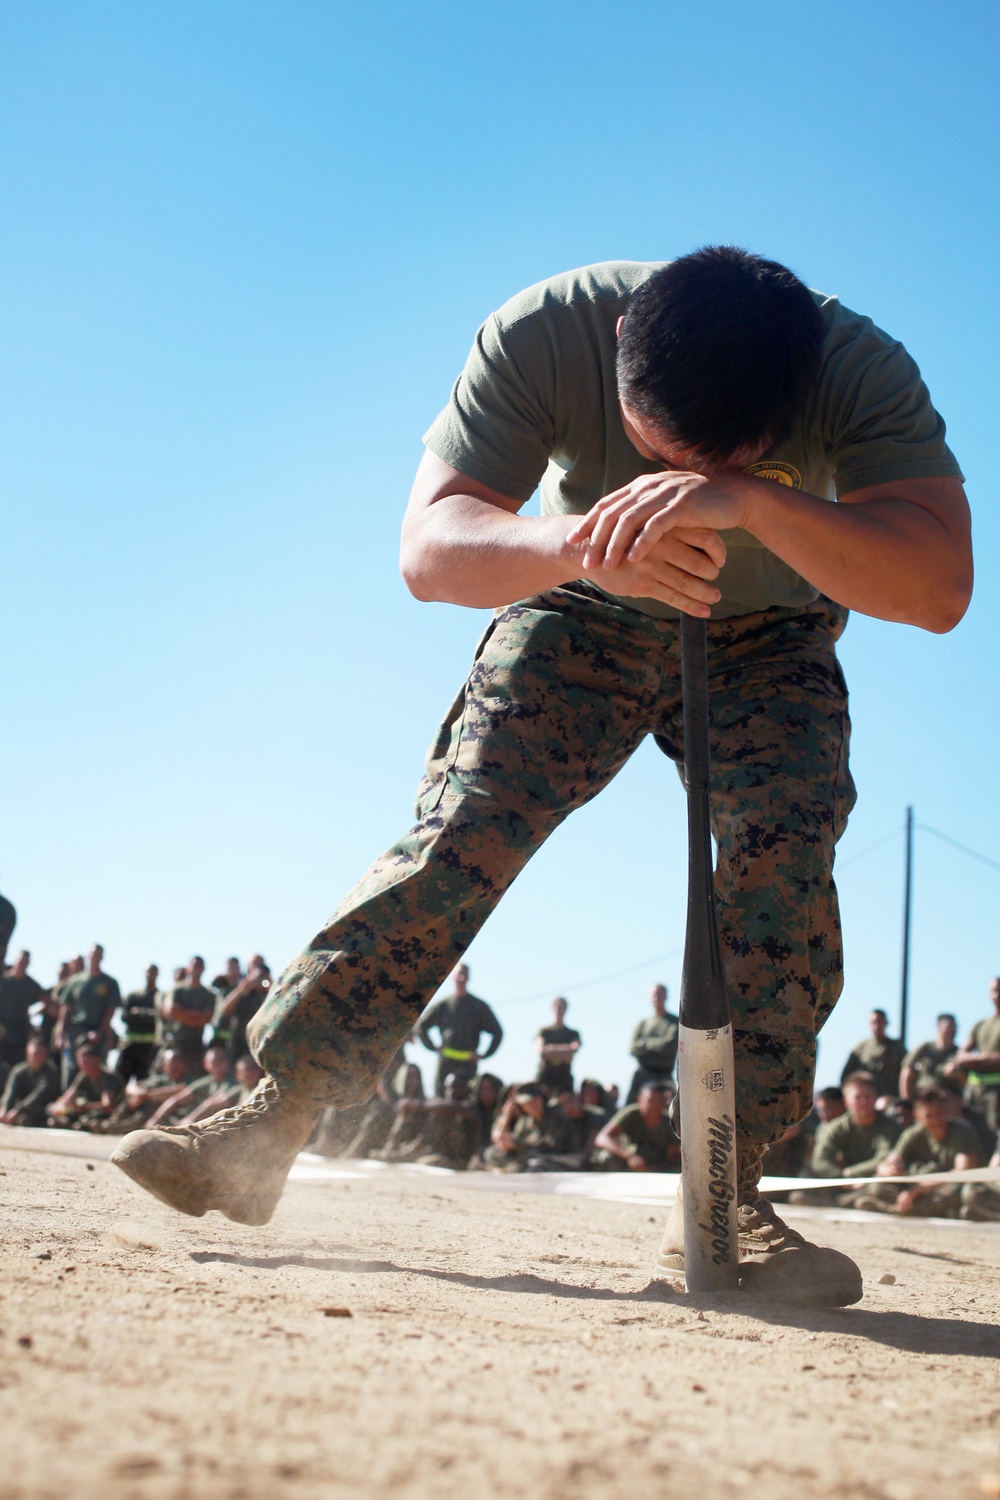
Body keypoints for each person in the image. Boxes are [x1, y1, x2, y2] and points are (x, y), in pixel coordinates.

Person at [113, 248, 972, 1306]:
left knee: (778, 873)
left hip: (773, 630)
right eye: (662, 455)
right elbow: (429, 549)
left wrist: (743, 503)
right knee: (466, 827)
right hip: (580, 596)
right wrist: (579, 543)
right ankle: (270, 1120)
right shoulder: (545, 330)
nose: (677, 484)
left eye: (724, 458)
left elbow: (937, 585)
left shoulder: (855, 364)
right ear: (619, 351)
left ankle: (724, 1196)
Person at [416, 965, 503, 1096]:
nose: (461, 978)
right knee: (440, 1098)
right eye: (458, 974)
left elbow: (497, 1032)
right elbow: (421, 1026)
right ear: (452, 976)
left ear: (468, 977)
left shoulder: (478, 1006)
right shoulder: (443, 1005)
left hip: (467, 1064)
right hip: (445, 1061)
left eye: (464, 974)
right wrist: (432, 1047)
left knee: (468, 1098)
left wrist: (484, 1054)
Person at [55, 945, 120, 1085]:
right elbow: (66, 1009)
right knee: (72, 1067)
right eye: (93, 954)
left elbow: (110, 1011)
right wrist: (60, 1034)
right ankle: (69, 1102)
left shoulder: (109, 982)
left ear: (102, 957)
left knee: (98, 1067)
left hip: (98, 1030)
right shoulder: (74, 981)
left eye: (98, 955)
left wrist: (100, 1032)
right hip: (76, 1030)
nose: (95, 957)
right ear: (88, 956)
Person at [594, 1081, 680, 1172]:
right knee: (604, 1157)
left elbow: (674, 1152)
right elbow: (601, 1138)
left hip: (659, 1166)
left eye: (659, 1101)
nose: (655, 1105)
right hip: (629, 1163)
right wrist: (628, 1156)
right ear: (639, 1100)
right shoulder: (631, 1114)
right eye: (650, 1100)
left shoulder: (669, 1122)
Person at [953, 979, 1000, 1133]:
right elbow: (961, 1056)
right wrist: (986, 1058)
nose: (997, 994)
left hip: (997, 1092)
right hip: (974, 1092)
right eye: (994, 990)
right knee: (973, 1135)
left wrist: (976, 1060)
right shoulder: (980, 1025)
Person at [47, 1037, 123, 1129]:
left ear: (97, 1060)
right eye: (81, 1064)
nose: (84, 1066)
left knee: (94, 1116)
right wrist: (58, 1106)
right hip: (88, 1111)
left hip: (112, 1114)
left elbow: (108, 1106)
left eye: (87, 1063)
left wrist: (84, 1106)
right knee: (50, 1108)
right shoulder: (84, 1075)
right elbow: (68, 1096)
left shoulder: (108, 1077)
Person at [159, 957, 215, 1073]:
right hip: (176, 1042)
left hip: (196, 1044)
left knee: (194, 1076)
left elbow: (206, 1019)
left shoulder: (207, 994)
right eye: (193, 965)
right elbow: (170, 1010)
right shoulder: (177, 989)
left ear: (203, 969)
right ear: (188, 968)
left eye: (199, 966)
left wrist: (182, 1014)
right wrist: (195, 1014)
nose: (196, 968)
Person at [625, 983, 679, 1104]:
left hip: (663, 1075)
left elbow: (668, 1046)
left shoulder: (673, 1022)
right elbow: (633, 1049)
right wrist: (655, 1046)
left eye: (660, 994)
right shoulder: (642, 1024)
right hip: (642, 1076)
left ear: (666, 996)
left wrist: (645, 1043)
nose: (657, 998)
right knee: (631, 1109)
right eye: (654, 995)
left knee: (670, 1112)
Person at [840, 1010, 907, 1101]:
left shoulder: (897, 1048)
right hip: (864, 1101)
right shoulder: (860, 1048)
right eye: (873, 1022)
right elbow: (846, 1077)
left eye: (880, 1021)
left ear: (886, 1023)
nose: (877, 1026)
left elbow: (906, 1074)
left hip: (889, 1099)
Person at [0, 1034, 62, 1126]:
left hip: (39, 1107)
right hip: (20, 1106)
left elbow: (38, 1096)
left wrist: (17, 1110)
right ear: (27, 1052)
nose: (38, 1057)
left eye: (41, 1054)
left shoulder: (50, 1073)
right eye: (35, 1053)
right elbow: (10, 1092)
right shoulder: (19, 1070)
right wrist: (5, 1108)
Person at [0, 951, 46, 1072]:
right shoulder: (4, 981)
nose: (22, 965)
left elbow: (46, 1002)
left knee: (17, 1068)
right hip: (3, 1034)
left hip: (20, 1034)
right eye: (20, 961)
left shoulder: (31, 985)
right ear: (14, 961)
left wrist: (33, 1015)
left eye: (25, 963)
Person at [116, 965, 162, 1085]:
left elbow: (159, 1018)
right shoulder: (133, 995)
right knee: (119, 1081)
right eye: (148, 972)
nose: (150, 975)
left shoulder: (159, 996)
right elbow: (124, 1017)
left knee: (144, 1082)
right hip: (130, 1046)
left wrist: (140, 1013)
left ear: (157, 974)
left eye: (153, 972)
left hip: (149, 1048)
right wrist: (146, 1017)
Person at [899, 1013, 959, 1099]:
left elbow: (967, 1078)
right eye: (947, 1026)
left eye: (953, 1026)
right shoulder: (925, 1048)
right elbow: (907, 1069)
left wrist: (957, 1074)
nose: (951, 1030)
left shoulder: (958, 1052)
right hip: (924, 1094)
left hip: (947, 1097)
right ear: (938, 1027)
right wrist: (906, 1100)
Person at [534, 996, 581, 1096]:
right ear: (552, 1008)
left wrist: (551, 1048)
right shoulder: (544, 1031)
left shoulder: (573, 1033)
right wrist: (565, 1051)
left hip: (564, 1078)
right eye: (557, 1006)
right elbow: (541, 1051)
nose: (559, 1010)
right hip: (545, 1077)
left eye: (562, 1007)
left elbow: (574, 1049)